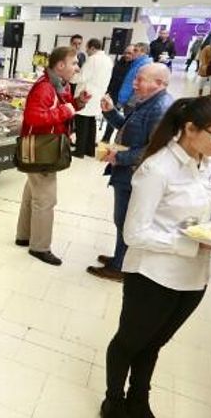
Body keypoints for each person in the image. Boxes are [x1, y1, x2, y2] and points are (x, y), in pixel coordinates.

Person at [101, 96, 211, 418]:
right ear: (190, 128)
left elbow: (201, 218)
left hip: (194, 277)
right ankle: (114, 401)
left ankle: (139, 399)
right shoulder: (156, 168)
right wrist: (187, 244)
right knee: (130, 341)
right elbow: (133, 233)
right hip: (153, 275)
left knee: (155, 343)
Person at [87, 63, 174, 282]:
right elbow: (128, 128)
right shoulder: (148, 102)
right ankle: (120, 258)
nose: (135, 84)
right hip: (128, 172)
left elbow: (155, 148)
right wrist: (110, 113)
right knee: (122, 219)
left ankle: (121, 267)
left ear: (159, 83)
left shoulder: (161, 108)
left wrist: (119, 157)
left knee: (127, 220)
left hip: (135, 174)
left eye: (140, 79)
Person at [15, 46, 88, 266]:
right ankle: (39, 247)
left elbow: (62, 108)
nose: (77, 67)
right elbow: (34, 117)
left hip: (42, 148)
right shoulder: (45, 87)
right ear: (60, 65)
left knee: (32, 193)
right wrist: (66, 111)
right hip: (42, 150)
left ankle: (24, 235)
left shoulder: (57, 85)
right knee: (46, 199)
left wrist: (77, 104)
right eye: (74, 63)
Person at [73, 38, 113, 158]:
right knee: (91, 123)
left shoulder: (93, 59)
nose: (86, 51)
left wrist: (70, 76)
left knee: (81, 123)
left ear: (92, 48)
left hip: (87, 94)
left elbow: (82, 77)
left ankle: (79, 150)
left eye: (87, 48)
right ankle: (89, 150)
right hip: (98, 94)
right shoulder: (108, 60)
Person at [101, 45, 135, 143]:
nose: (127, 55)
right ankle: (106, 138)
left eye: (130, 53)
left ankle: (122, 139)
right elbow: (112, 78)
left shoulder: (134, 67)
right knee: (112, 115)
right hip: (115, 93)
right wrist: (108, 91)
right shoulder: (119, 63)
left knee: (126, 119)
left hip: (128, 96)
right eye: (126, 53)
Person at [117, 43, 152, 111]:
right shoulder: (136, 63)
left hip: (132, 103)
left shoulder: (145, 65)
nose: (133, 52)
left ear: (143, 52)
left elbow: (141, 86)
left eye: (136, 50)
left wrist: (131, 103)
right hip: (126, 99)